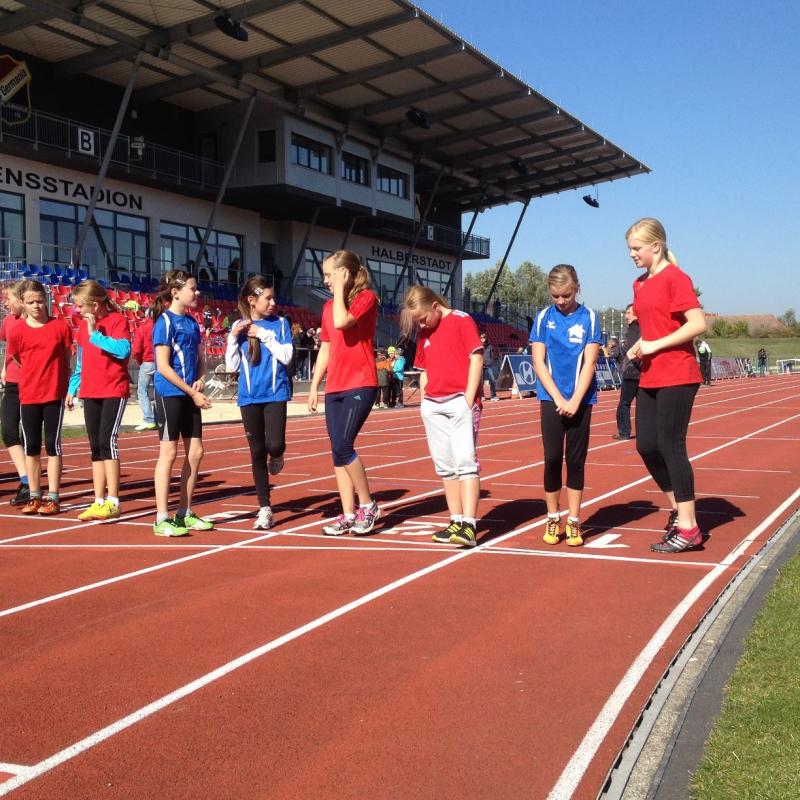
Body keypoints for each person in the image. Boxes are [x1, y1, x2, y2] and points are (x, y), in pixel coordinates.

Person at [626, 218, 707, 554]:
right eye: (630, 249)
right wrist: (640, 344)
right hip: (650, 373)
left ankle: (689, 528)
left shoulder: (676, 277)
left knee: (672, 446)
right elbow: (655, 326)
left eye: (637, 248)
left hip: (678, 372)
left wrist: (655, 344)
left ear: (656, 246)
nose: (632, 254)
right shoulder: (639, 284)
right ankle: (679, 510)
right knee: (646, 445)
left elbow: (697, 324)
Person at [401, 285, 484, 547]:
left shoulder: (462, 320)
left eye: (423, 318)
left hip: (459, 402)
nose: (421, 324)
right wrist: (425, 402)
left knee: (465, 462)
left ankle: (469, 525)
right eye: (417, 321)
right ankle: (455, 520)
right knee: (445, 466)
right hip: (433, 405)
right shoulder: (425, 331)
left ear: (436, 306)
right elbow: (424, 369)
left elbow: (476, 358)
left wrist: (468, 399)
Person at [308, 249, 380, 536]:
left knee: (344, 445)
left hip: (360, 382)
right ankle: (348, 513)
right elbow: (326, 347)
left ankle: (368, 505)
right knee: (337, 451)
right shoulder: (328, 307)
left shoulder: (366, 298)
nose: (326, 281)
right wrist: (314, 385)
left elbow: (342, 321)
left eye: (330, 275)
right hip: (335, 386)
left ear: (345, 274)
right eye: (325, 276)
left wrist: (339, 289)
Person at [530, 265, 602, 547]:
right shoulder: (543, 318)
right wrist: (559, 399)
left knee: (575, 460)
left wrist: (575, 400)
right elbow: (538, 362)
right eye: (555, 296)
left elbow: (590, 363)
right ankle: (552, 516)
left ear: (577, 289)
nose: (560, 301)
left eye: (566, 295)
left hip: (581, 399)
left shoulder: (590, 318)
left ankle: (573, 520)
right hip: (551, 398)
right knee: (551, 458)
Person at [226, 276, 293, 530]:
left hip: (275, 393)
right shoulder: (239, 326)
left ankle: (277, 455)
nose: (273, 302)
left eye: (273, 297)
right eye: (268, 298)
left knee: (274, 444)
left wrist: (264, 335)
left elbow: (286, 356)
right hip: (249, 397)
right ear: (252, 301)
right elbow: (231, 366)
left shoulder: (281, 324)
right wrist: (233, 339)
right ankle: (265, 508)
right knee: (256, 452)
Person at [151, 269, 214, 537]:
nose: (197, 292)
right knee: (169, 453)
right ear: (175, 292)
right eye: (192, 288)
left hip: (189, 394)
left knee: (196, 452)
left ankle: (184, 512)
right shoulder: (164, 322)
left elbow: (201, 360)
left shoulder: (192, 323)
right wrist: (192, 392)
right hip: (170, 394)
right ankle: (161, 518)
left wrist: (200, 379)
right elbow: (163, 366)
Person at [5, 278, 72, 515]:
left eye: (40, 301)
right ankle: (34, 495)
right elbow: (17, 358)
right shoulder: (17, 331)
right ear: (23, 303)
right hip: (29, 395)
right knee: (31, 447)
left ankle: (53, 497)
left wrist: (64, 384)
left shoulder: (60, 327)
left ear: (46, 300)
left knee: (53, 445)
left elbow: (66, 356)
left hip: (54, 394)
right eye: (31, 302)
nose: (36, 306)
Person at [66, 280, 131, 521]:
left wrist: (95, 334)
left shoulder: (117, 321)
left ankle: (113, 500)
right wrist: (72, 388)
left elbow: (123, 350)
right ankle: (98, 500)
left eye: (80, 306)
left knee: (107, 440)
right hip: (90, 391)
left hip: (113, 389)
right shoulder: (83, 327)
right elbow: (81, 362)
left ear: (94, 305)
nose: (77, 311)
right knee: (95, 444)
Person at [0, 282, 30, 507]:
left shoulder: (33, 322)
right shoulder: (8, 321)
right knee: (9, 431)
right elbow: (9, 348)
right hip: (11, 382)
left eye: (8, 298)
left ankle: (32, 484)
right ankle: (26, 481)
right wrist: (4, 367)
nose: (6, 302)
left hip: (32, 384)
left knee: (29, 436)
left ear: (20, 299)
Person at [612, 304, 641, 440]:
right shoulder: (642, 328)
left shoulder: (634, 329)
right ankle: (645, 433)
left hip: (633, 373)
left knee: (624, 404)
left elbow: (635, 350)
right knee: (643, 406)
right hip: (643, 373)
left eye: (629, 313)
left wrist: (634, 361)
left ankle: (624, 432)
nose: (626, 316)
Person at [132, 308, 156, 431]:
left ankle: (149, 419)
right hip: (161, 362)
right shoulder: (161, 327)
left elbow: (136, 349)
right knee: (160, 391)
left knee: (142, 391)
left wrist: (139, 360)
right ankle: (162, 418)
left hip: (147, 362)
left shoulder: (142, 328)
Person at [479, 331, 499, 401]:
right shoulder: (478, 346)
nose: (483, 338)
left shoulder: (490, 346)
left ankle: (493, 396)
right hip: (480, 366)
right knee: (480, 382)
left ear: (486, 338)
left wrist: (490, 361)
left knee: (492, 380)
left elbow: (492, 355)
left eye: (484, 337)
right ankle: (482, 396)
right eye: (481, 337)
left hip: (488, 366)